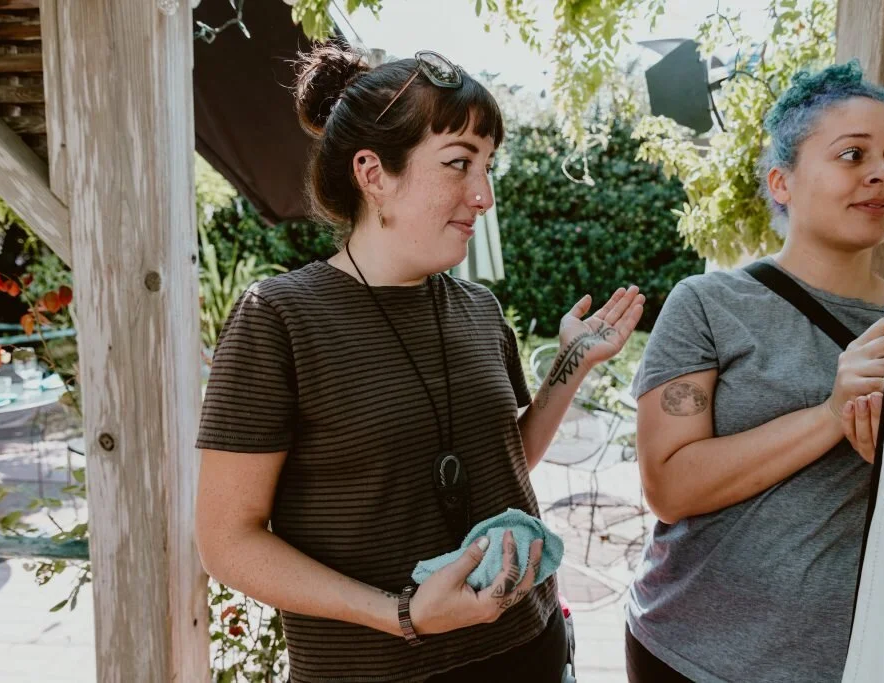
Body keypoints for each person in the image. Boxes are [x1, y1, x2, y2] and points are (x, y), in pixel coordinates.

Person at [194, 44, 645, 683]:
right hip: (375, 670)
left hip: (529, 646)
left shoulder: (479, 309)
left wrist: (570, 366)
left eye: (488, 166)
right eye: (460, 163)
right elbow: (228, 542)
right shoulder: (279, 318)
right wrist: (401, 613)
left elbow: (505, 458)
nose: (484, 194)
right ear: (374, 174)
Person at [626, 61, 884, 682]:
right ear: (781, 182)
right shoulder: (708, 304)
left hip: (856, 664)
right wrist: (831, 415)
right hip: (690, 653)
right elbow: (669, 487)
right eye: (851, 154)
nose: (883, 173)